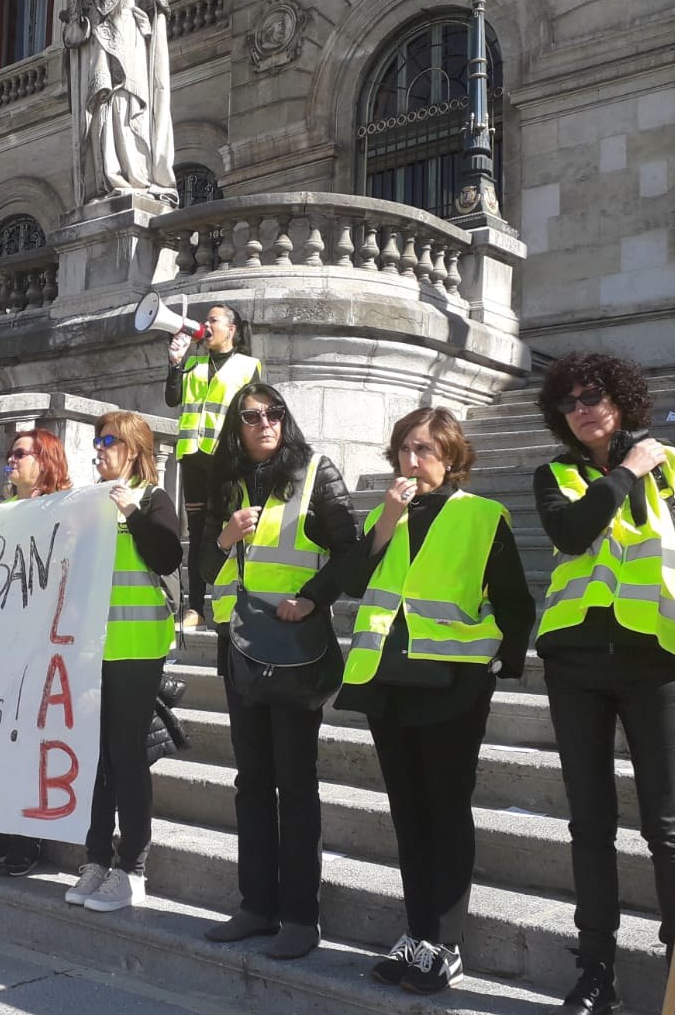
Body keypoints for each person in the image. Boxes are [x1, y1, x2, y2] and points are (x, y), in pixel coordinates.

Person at [533, 352, 675, 1015]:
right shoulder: (552, 475)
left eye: (594, 394)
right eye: (570, 401)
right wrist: (627, 471)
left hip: (659, 661)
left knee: (668, 830)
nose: (583, 408)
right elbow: (574, 534)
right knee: (590, 824)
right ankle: (595, 971)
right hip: (575, 665)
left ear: (622, 399)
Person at [333, 408, 535, 995]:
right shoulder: (385, 514)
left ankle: (445, 944)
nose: (411, 460)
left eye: (423, 449)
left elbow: (515, 602)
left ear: (451, 456)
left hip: (451, 687)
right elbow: (349, 580)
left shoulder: (481, 515)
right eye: (403, 449)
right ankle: (418, 935)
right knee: (408, 814)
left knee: (446, 811)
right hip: (387, 685)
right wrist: (387, 522)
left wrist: (496, 666)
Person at [199, 383, 360, 960]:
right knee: (251, 784)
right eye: (251, 416)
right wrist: (224, 536)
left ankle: (300, 915)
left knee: (295, 784)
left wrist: (314, 598)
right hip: (239, 646)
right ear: (237, 426)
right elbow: (202, 567)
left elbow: (353, 551)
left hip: (294, 646)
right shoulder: (227, 481)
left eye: (273, 414)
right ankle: (256, 905)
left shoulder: (317, 471)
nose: (264, 423)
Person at [65, 411, 182, 914]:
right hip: (94, 649)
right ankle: (95, 859)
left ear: (133, 448)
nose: (98, 449)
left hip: (137, 647)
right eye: (96, 441)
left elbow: (168, 557)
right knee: (98, 758)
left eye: (107, 441)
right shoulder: (91, 502)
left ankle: (132, 869)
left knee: (127, 757)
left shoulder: (153, 499)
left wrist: (133, 513)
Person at [0, 428, 72, 878]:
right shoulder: (1, 510)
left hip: (44, 645)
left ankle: (28, 834)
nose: (10, 460)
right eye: (9, 453)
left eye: (21, 453)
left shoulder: (68, 508)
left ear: (46, 459)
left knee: (31, 743)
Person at [61, 0, 176, 204]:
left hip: (130, 33)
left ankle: (134, 173)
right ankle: (110, 176)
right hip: (101, 35)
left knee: (127, 97)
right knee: (103, 102)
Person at [166, 303, 260, 627]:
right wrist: (174, 364)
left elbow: (255, 414)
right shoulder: (192, 362)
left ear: (230, 329)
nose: (205, 325)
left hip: (228, 461)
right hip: (193, 458)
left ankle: (239, 595)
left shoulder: (249, 366)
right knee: (195, 532)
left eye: (212, 320)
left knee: (229, 529)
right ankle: (195, 608)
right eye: (205, 319)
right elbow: (172, 398)